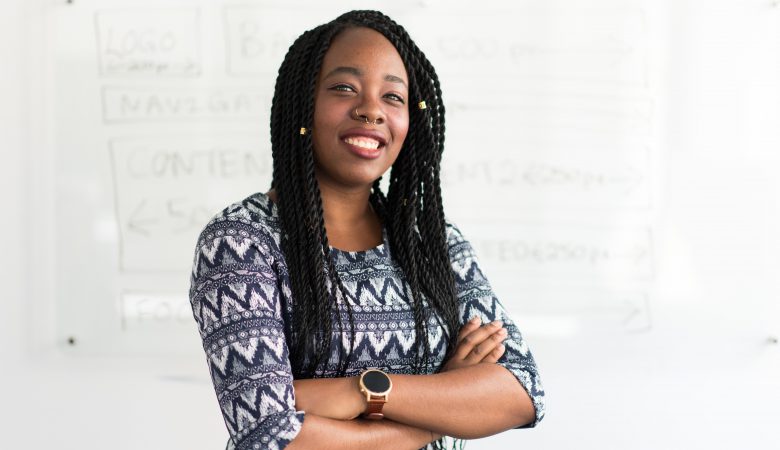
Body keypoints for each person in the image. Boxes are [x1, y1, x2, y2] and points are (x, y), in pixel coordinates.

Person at [189, 10, 545, 450]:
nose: (371, 110)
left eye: (393, 97)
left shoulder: (434, 244)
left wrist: (361, 393)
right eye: (344, 88)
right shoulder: (241, 242)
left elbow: (521, 392)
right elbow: (271, 434)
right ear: (302, 105)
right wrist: (444, 406)